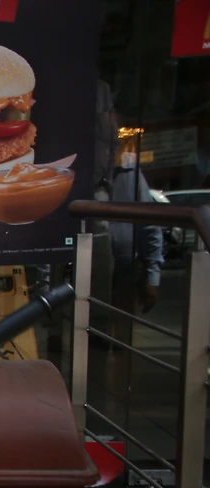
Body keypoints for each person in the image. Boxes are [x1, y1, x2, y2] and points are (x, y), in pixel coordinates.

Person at [93, 81, 164, 317]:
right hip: (86, 273)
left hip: (125, 272)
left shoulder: (130, 172)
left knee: (119, 327)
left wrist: (152, 277)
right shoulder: (80, 174)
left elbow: (150, 225)